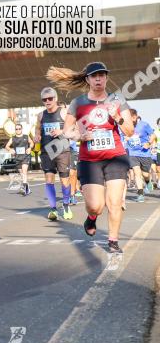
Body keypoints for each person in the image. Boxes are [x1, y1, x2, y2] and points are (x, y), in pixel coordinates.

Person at [48, 62, 134, 254]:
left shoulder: (117, 99)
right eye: (94, 76)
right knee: (96, 206)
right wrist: (80, 136)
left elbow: (129, 131)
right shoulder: (78, 103)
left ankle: (113, 242)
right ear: (87, 79)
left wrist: (117, 117)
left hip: (115, 157)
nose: (98, 79)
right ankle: (92, 217)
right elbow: (67, 131)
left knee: (115, 202)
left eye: (102, 75)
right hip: (90, 160)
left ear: (106, 78)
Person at [33, 87, 73, 220]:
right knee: (49, 179)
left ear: (55, 99)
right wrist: (37, 136)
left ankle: (66, 205)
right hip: (47, 151)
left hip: (62, 150)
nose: (47, 101)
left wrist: (61, 132)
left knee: (64, 180)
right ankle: (53, 209)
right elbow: (37, 129)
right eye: (44, 99)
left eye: (50, 98)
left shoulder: (64, 112)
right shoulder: (41, 115)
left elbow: (74, 127)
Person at [126, 109, 156, 203]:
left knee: (145, 174)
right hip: (132, 153)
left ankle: (148, 182)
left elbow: (153, 135)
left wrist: (149, 143)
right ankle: (140, 193)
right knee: (136, 172)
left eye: (130, 118)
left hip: (144, 153)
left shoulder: (144, 125)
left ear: (135, 117)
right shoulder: (125, 126)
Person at [6, 123, 34, 196]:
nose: (18, 130)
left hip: (25, 156)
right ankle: (27, 186)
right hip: (17, 158)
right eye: (16, 129)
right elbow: (7, 146)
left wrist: (30, 148)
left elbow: (31, 143)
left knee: (24, 171)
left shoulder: (26, 136)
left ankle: (24, 187)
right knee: (22, 174)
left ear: (21, 129)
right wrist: (10, 149)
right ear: (15, 130)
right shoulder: (13, 138)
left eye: (19, 129)